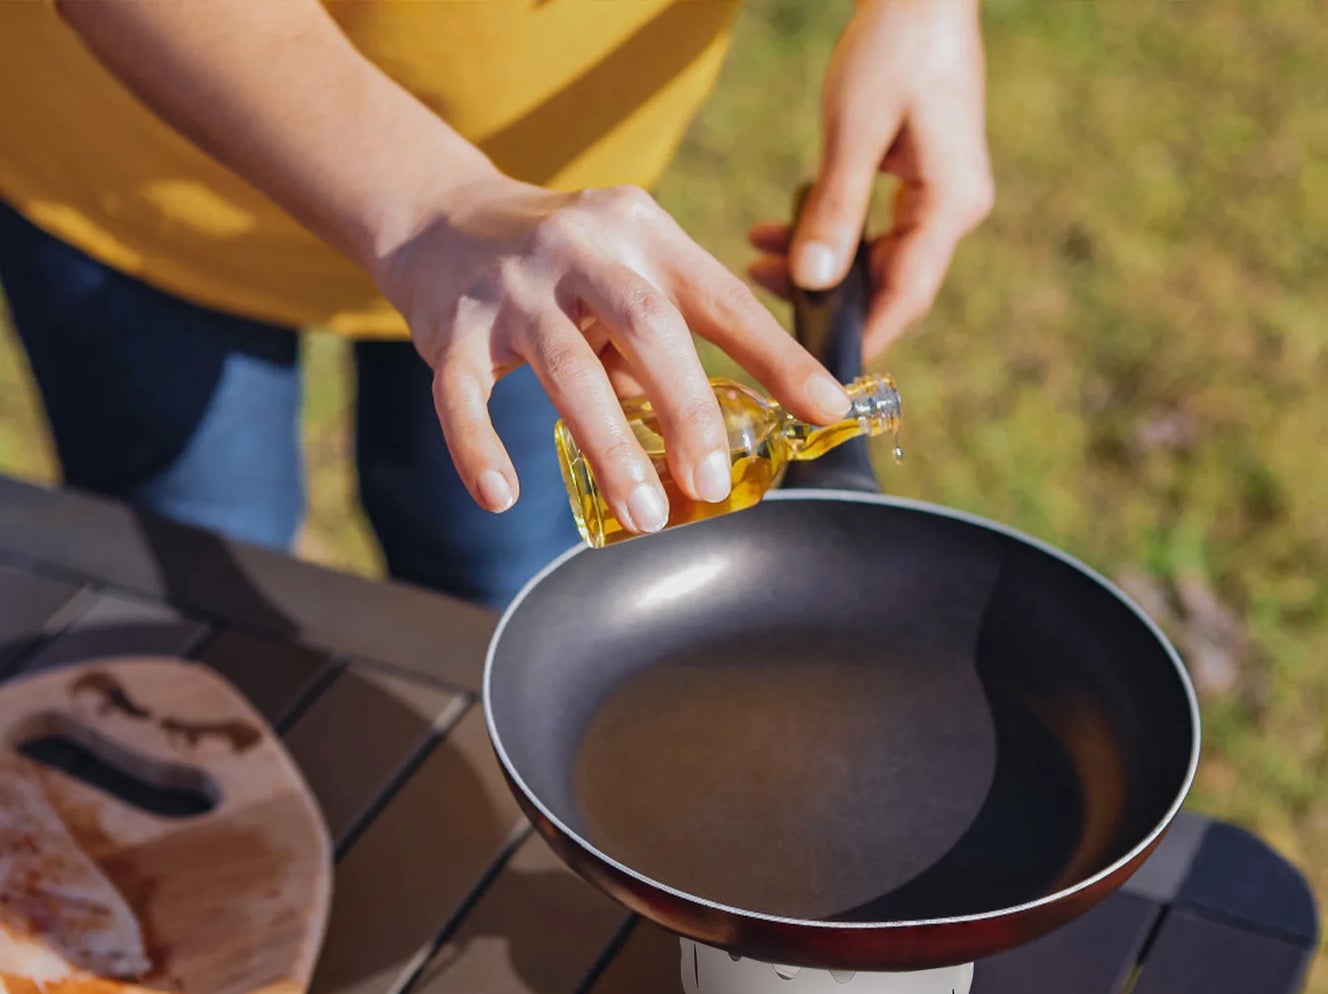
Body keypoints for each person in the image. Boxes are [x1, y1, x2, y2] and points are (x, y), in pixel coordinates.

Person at [0, 0, 992, 610]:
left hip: (547, 255)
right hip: (150, 165)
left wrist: (922, 9)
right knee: (202, 583)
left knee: (502, 580)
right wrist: (437, 205)